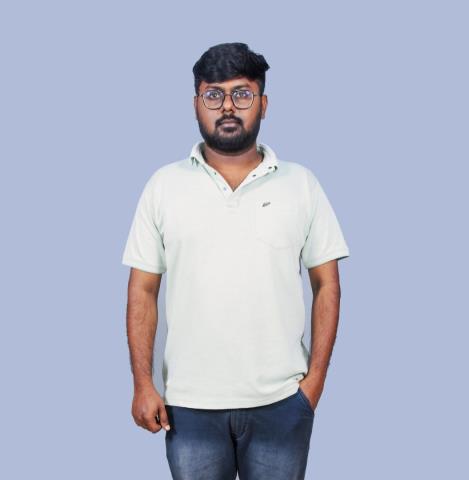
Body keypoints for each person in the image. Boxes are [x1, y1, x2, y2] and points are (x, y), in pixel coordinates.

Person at [121, 42, 350, 480]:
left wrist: (314, 383)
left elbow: (328, 284)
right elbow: (142, 291)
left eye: (242, 94)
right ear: (196, 104)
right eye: (214, 95)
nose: (227, 107)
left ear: (263, 104)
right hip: (189, 406)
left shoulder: (302, 185)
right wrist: (143, 383)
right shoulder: (163, 186)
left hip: (282, 403)